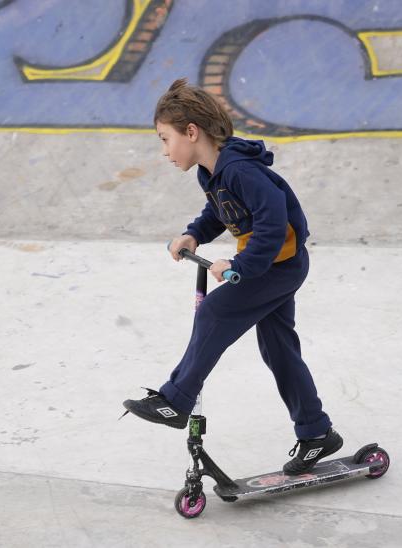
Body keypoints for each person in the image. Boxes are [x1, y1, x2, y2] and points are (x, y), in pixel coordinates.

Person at [122, 78, 342, 475]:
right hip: (269, 265)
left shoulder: (241, 170)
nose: (164, 151)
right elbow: (219, 214)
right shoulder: (214, 173)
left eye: (164, 138)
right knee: (278, 349)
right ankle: (317, 433)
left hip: (278, 266)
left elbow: (273, 225)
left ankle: (177, 398)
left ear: (192, 132)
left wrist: (240, 266)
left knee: (214, 313)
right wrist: (194, 233)